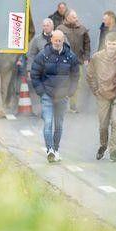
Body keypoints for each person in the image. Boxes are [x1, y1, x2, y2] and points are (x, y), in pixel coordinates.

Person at [30, 29, 80, 163]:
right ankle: (50, 150)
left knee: (59, 125)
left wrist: (71, 91)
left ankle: (56, 149)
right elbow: (34, 74)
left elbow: (76, 75)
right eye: (55, 40)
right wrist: (41, 91)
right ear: (51, 40)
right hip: (47, 95)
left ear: (63, 40)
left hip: (62, 97)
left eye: (60, 40)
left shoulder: (70, 57)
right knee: (48, 122)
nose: (57, 43)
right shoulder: (43, 55)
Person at [86, 31, 116, 162]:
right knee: (103, 124)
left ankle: (114, 151)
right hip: (102, 94)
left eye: (114, 44)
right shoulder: (97, 57)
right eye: (109, 44)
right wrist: (96, 90)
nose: (112, 46)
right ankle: (103, 145)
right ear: (105, 43)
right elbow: (90, 75)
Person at [57, 9, 91, 113]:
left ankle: (73, 106)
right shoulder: (60, 29)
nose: (76, 18)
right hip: (64, 62)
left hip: (78, 61)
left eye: (76, 16)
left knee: (76, 84)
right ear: (67, 18)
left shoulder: (82, 29)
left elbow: (87, 44)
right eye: (73, 17)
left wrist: (86, 57)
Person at [27, 18, 55, 116]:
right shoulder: (37, 39)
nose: (45, 27)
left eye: (47, 25)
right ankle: (46, 110)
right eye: (44, 26)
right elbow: (32, 55)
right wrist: (30, 69)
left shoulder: (59, 37)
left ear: (52, 26)